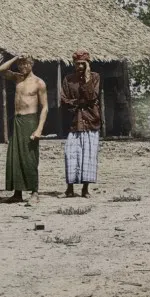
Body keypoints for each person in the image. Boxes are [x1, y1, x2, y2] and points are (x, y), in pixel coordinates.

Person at [0, 54, 48, 205]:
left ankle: (34, 193)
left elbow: (45, 108)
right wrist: (15, 58)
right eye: (20, 64)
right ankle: (17, 193)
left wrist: (39, 129)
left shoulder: (39, 83)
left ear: (32, 64)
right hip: (17, 121)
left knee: (30, 157)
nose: (22, 67)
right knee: (16, 157)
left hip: (30, 120)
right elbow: (1, 70)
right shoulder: (18, 78)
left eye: (25, 64)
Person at [60, 50, 102, 198]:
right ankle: (69, 188)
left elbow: (92, 96)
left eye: (83, 64)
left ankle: (85, 189)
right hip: (74, 121)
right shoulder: (68, 79)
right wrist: (78, 103)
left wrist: (87, 77)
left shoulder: (95, 77)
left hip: (90, 120)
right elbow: (64, 100)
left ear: (88, 64)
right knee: (71, 154)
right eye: (77, 64)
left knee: (88, 155)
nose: (80, 67)